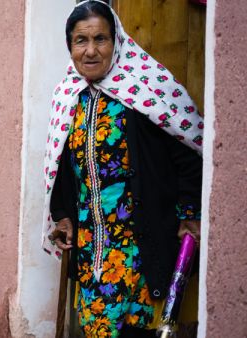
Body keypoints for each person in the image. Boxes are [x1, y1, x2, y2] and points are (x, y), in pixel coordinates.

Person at [41, 1, 203, 337]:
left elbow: (189, 151)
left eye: (100, 39)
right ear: (69, 45)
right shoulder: (68, 97)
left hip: (141, 250)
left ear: (117, 42)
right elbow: (61, 168)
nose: (90, 51)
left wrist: (190, 212)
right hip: (92, 251)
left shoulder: (145, 90)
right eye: (80, 40)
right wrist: (63, 216)